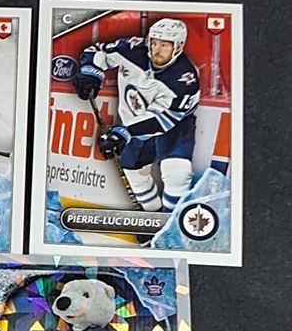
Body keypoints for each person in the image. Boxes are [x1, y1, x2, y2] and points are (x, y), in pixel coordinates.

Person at [74, 17, 201, 213]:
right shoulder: (132, 49)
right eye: (154, 42)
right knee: (134, 175)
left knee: (177, 173)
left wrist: (122, 133)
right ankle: (152, 216)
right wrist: (90, 72)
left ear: (178, 47)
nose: (156, 50)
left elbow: (161, 120)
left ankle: (173, 222)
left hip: (174, 127)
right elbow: (96, 51)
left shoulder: (184, 80)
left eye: (164, 45)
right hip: (130, 119)